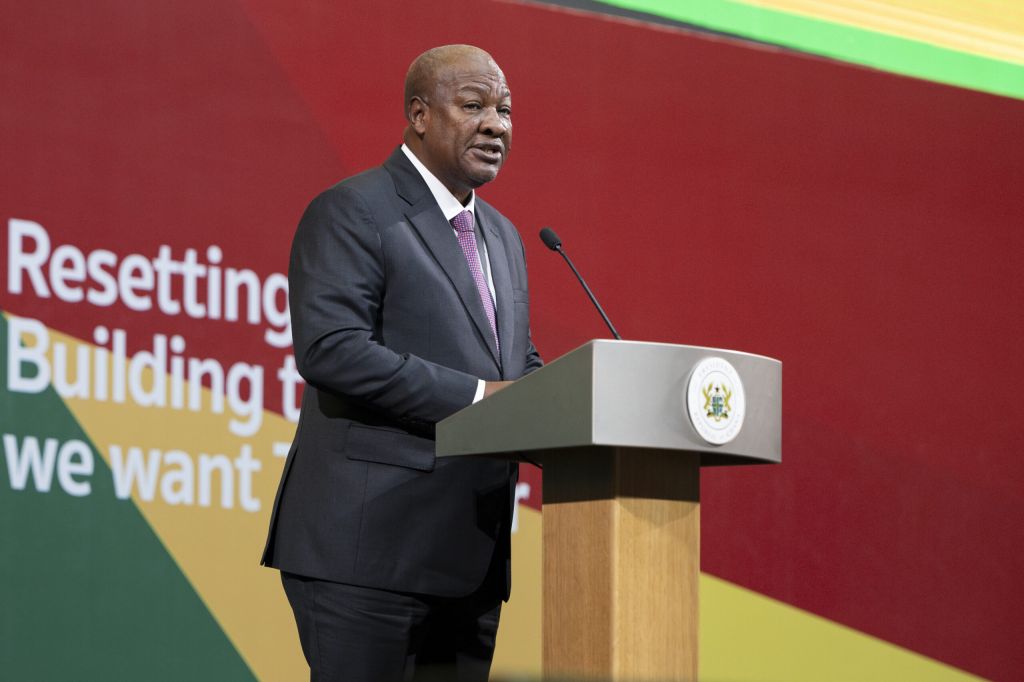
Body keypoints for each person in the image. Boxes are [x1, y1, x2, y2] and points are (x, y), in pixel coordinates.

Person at [261, 44, 543, 681]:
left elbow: (514, 362)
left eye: (504, 110)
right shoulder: (355, 209)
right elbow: (333, 350)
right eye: (473, 106)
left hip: (469, 557)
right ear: (420, 114)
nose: (496, 125)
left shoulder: (503, 235)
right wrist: (479, 398)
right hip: (367, 550)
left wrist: (577, 412)